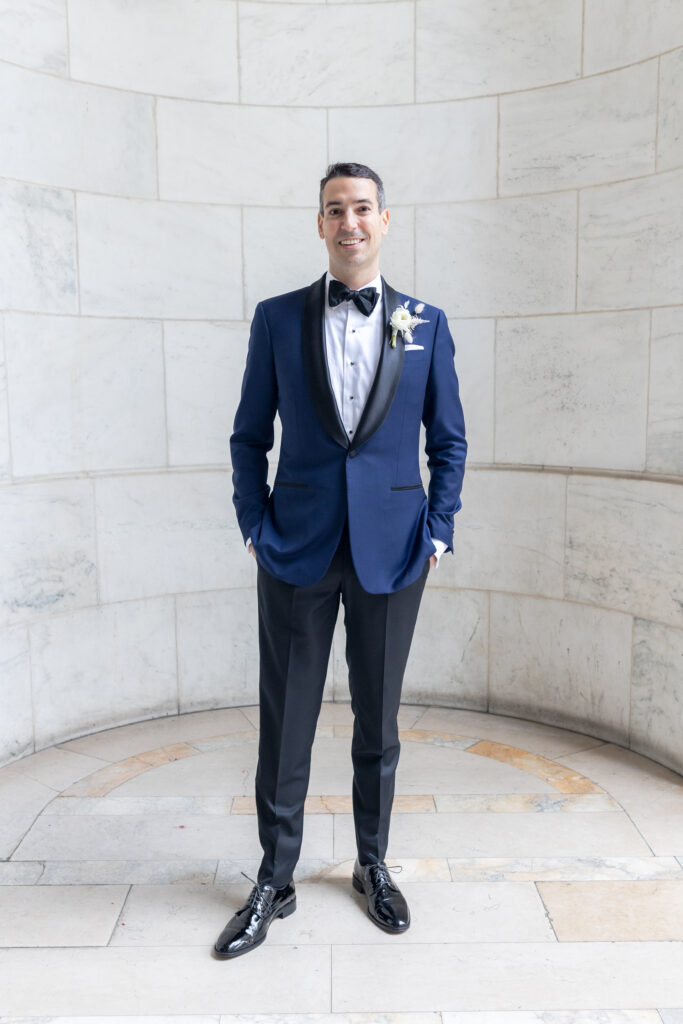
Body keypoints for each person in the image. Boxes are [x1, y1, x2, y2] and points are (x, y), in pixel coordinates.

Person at [213, 162, 467, 959]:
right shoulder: (276, 318)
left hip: (393, 553)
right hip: (295, 548)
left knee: (377, 724)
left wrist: (437, 531)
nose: (348, 222)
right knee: (284, 722)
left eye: (361, 208)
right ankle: (273, 881)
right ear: (318, 225)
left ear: (384, 220)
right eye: (334, 210)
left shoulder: (426, 322)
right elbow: (248, 434)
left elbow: (448, 440)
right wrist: (255, 524)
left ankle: (372, 865)